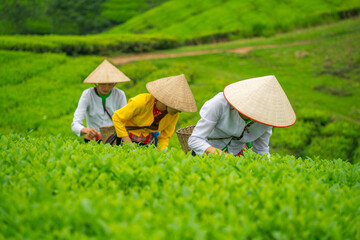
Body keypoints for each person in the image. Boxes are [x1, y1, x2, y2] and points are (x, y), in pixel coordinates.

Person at [188, 75, 296, 158]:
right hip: (206, 152)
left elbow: (261, 150)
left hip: (236, 156)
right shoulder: (219, 104)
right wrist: (223, 157)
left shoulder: (266, 118)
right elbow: (195, 140)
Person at [112, 74, 197, 150]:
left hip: (147, 141)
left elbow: (165, 137)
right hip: (127, 137)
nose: (179, 111)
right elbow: (117, 117)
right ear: (168, 101)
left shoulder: (173, 114)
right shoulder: (141, 102)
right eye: (177, 107)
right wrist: (127, 142)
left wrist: (162, 153)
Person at [71, 59, 130, 142]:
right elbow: (75, 124)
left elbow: (125, 120)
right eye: (102, 84)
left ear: (115, 83)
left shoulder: (120, 94)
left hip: (115, 139)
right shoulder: (87, 94)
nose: (106, 88)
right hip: (94, 139)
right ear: (96, 83)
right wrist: (87, 130)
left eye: (110, 84)